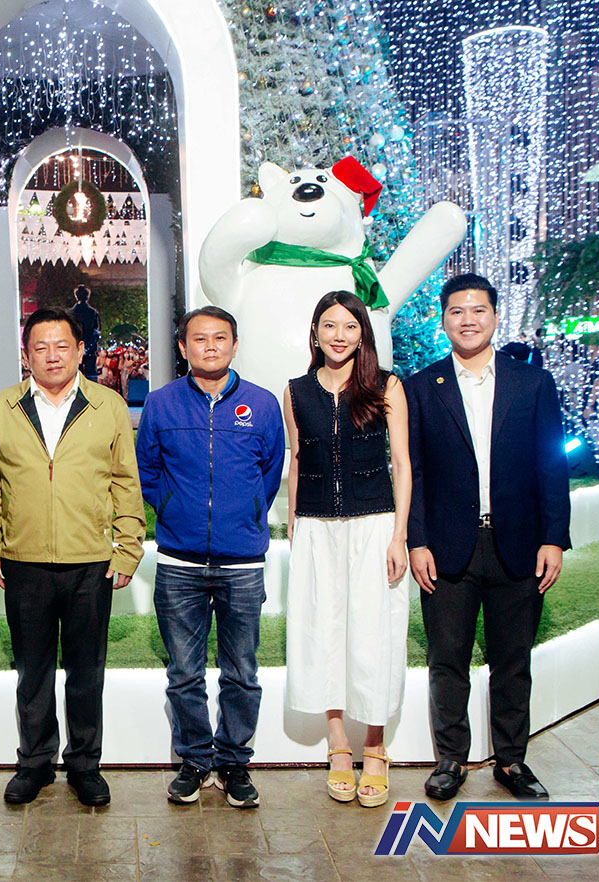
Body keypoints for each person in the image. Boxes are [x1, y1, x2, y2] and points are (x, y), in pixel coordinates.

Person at [406, 273, 570, 802]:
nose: (468, 319)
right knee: (447, 658)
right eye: (457, 311)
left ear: (495, 316)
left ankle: (512, 760)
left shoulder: (532, 383)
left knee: (513, 659)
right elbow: (414, 472)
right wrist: (416, 541)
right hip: (447, 548)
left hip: (519, 544)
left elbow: (551, 464)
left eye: (478, 310)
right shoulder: (421, 387)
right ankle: (450, 760)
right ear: (443, 320)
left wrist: (554, 538)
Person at [0, 306, 144, 806]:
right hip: (24, 560)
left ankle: (85, 765)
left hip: (90, 560)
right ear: (26, 355)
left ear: (80, 350)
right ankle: (34, 763)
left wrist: (127, 548)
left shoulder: (107, 405)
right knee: (32, 672)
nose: (52, 356)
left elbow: (125, 481)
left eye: (62, 346)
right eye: (40, 347)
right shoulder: (2, 407)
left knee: (86, 671)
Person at [135, 306, 283, 808]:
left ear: (235, 345)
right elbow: (147, 470)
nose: (211, 346)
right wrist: (173, 509)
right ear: (183, 347)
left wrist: (246, 513)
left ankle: (235, 762)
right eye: (200, 339)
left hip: (242, 562)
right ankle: (195, 760)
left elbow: (269, 472)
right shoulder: (162, 403)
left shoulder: (262, 404)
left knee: (241, 671)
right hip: (179, 562)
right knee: (184, 672)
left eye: (221, 338)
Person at [283, 291, 411, 808]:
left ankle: (375, 745)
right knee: (323, 629)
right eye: (330, 325)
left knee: (374, 631)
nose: (339, 335)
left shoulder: (387, 386)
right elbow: (297, 459)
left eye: (350, 326)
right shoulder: (295, 391)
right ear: (315, 331)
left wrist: (399, 535)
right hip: (316, 526)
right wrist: (294, 523)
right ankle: (337, 741)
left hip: (374, 525)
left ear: (363, 334)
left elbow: (401, 463)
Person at [71, 285, 100, 380]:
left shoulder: (70, 313)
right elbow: (97, 331)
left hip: (75, 348)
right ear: (88, 297)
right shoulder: (93, 313)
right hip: (91, 349)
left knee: (75, 375)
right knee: (91, 375)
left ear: (76, 296)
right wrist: (88, 346)